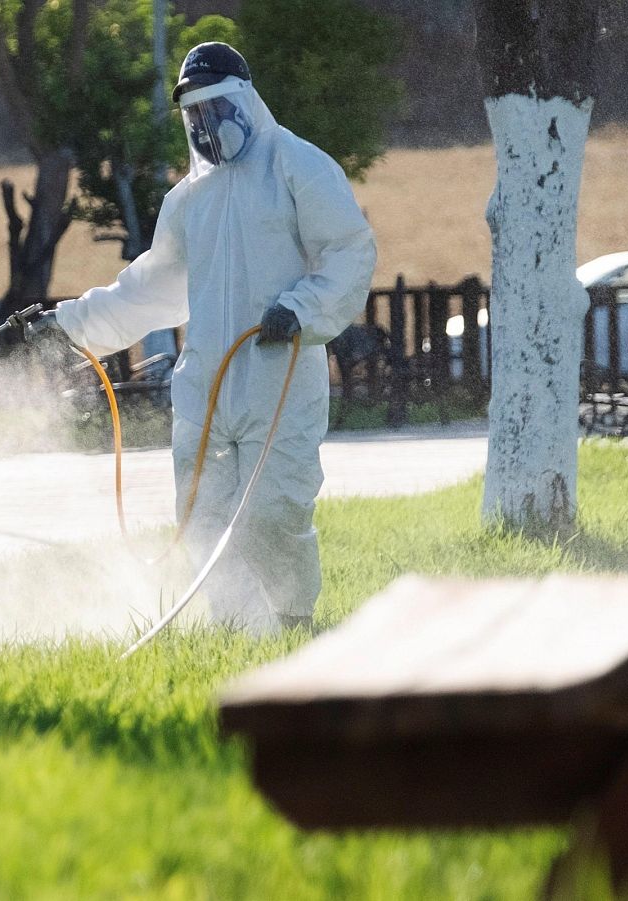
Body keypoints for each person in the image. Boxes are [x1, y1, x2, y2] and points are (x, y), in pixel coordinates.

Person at [36, 42, 375, 634]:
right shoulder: (188, 199)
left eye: (215, 108)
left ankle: (292, 617)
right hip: (205, 388)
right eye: (194, 115)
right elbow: (149, 288)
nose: (206, 124)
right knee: (204, 521)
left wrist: (300, 308)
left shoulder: (300, 167)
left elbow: (349, 252)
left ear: (245, 101)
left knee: (274, 512)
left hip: (280, 380)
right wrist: (71, 325)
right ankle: (239, 632)